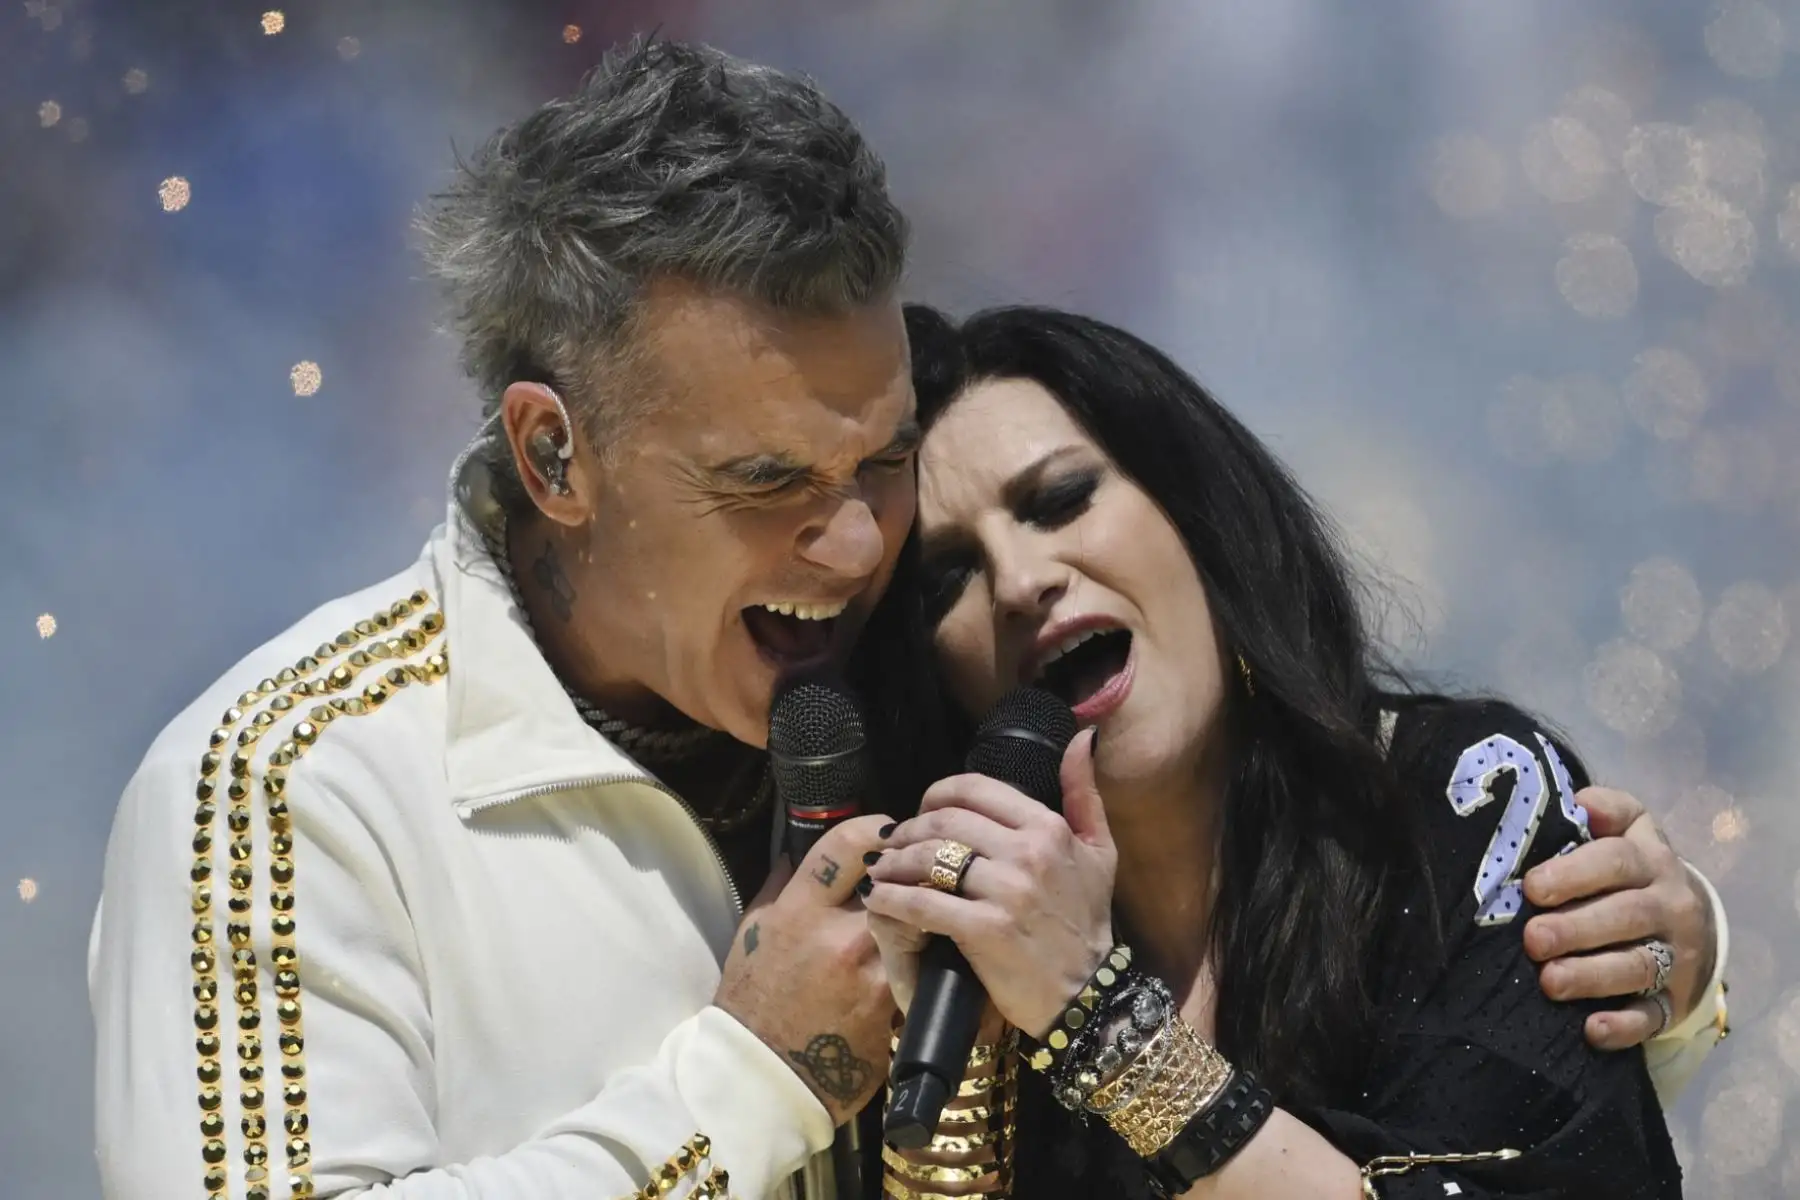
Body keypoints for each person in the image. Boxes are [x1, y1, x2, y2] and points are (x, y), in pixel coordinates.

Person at [88, 36, 1721, 1200]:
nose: (859, 539)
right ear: (553, 453)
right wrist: (742, 1076)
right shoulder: (294, 783)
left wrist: (1665, 966)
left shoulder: (879, 754)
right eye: (765, 478)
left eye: (879, 465)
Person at [860, 304, 1725, 1198]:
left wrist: (1101, 1024)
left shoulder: (1462, 802)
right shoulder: (950, 967)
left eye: (1060, 500)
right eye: (947, 578)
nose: (1019, 582)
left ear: (1198, 512)